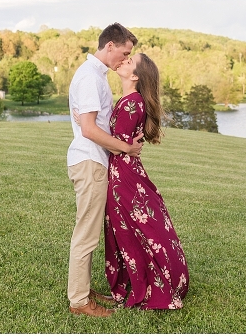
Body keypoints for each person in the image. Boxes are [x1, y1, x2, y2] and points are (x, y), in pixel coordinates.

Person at [93, 53, 189, 309]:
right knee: (129, 228)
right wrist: (125, 147)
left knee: (131, 229)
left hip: (123, 175)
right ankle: (139, 280)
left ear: (134, 75)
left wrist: (121, 145)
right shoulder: (127, 100)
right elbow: (124, 144)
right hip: (124, 170)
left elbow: (119, 147)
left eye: (129, 61)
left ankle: (147, 283)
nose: (123, 61)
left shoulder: (131, 103)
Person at [66, 23, 144, 318]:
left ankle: (83, 290)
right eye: (124, 52)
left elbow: (92, 123)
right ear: (109, 46)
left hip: (93, 161)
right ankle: (79, 302)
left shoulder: (94, 76)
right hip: (90, 162)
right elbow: (88, 129)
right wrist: (126, 148)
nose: (124, 59)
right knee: (86, 235)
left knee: (88, 232)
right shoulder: (90, 77)